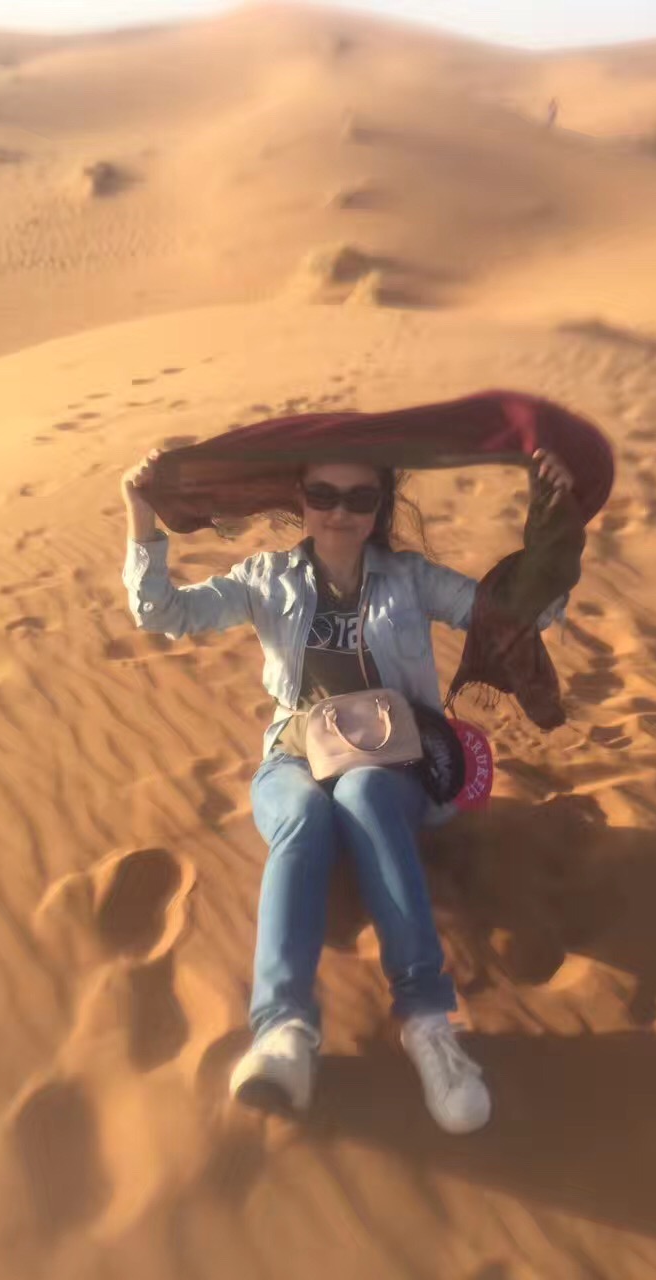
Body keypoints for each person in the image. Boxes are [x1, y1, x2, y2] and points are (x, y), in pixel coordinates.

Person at [121, 448, 573, 1134]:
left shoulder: (410, 579)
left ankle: (429, 1025)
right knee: (303, 814)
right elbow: (162, 612)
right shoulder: (268, 578)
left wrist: (553, 520)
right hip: (294, 758)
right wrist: (141, 515)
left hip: (394, 765)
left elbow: (517, 616)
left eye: (360, 498)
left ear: (379, 506)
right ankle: (283, 1033)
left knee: (363, 793)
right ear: (300, 498)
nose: (339, 512)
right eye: (324, 494)